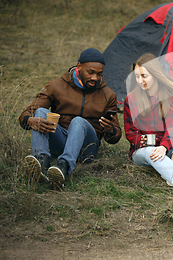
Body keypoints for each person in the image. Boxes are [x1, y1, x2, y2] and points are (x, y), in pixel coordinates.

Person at [20, 48, 122, 188]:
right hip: (60, 140)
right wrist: (29, 120)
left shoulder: (108, 95)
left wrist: (110, 130)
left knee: (78, 121)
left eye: (99, 74)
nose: (95, 78)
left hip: (86, 150)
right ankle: (41, 162)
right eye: (90, 72)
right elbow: (28, 112)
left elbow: (115, 137)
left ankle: (63, 166)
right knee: (41, 112)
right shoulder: (56, 86)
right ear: (79, 66)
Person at [124, 53, 173, 203]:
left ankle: (171, 165)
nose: (140, 81)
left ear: (155, 74)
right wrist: (152, 143)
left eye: (144, 76)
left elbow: (172, 128)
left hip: (171, 151)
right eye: (137, 77)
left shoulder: (171, 96)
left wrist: (164, 147)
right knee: (150, 151)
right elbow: (130, 132)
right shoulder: (131, 99)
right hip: (143, 151)